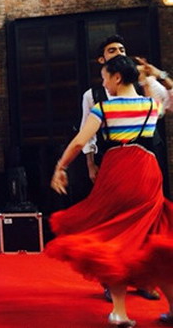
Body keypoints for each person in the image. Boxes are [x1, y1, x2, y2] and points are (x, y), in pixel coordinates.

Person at [48, 55, 173, 327]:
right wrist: (155, 76)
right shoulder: (152, 105)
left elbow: (80, 141)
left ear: (117, 77)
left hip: (118, 174)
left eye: (105, 77)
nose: (103, 83)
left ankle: (119, 312)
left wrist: (60, 167)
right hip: (149, 175)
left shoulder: (103, 108)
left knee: (116, 241)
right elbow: (168, 97)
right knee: (154, 238)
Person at [78, 35, 167, 302]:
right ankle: (112, 280)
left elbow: (166, 101)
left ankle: (144, 279)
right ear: (102, 59)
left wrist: (157, 75)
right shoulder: (93, 96)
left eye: (121, 49)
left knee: (147, 223)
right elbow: (85, 135)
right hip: (113, 164)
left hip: (145, 161)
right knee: (113, 224)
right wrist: (91, 164)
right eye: (111, 50)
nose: (118, 52)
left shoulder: (143, 86)